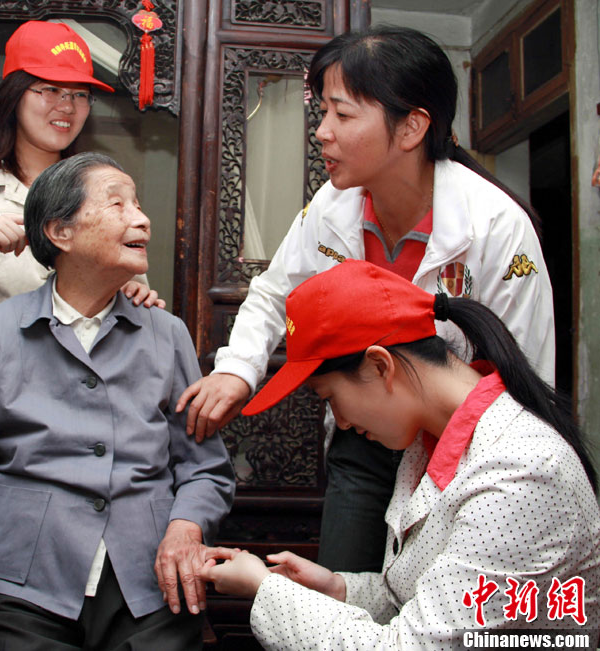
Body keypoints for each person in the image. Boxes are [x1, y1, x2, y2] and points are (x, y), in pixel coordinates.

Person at [176, 25, 555, 573]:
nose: (322, 132)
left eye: (342, 114)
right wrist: (237, 370)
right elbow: (275, 290)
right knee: (343, 582)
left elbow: (526, 367)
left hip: (464, 446)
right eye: (322, 112)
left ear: (412, 127)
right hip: (366, 437)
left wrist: (510, 469)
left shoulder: (496, 225)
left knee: (437, 595)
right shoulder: (332, 206)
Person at [0, 152, 235, 650]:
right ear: (60, 232)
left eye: (138, 203)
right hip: (20, 580)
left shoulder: (166, 333)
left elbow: (204, 468)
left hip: (148, 580)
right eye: (118, 204)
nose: (142, 218)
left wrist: (186, 529)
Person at [199, 260, 600, 650]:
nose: (341, 422)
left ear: (379, 365)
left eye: (330, 398)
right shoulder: (427, 446)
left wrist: (264, 587)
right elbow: (424, 598)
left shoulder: (520, 474)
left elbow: (413, 644)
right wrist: (338, 589)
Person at [0, 20, 161, 382]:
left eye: (79, 94)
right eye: (50, 89)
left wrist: (134, 295)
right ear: (14, 97)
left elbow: (133, 291)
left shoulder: (107, 192)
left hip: (83, 391)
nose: (67, 106)